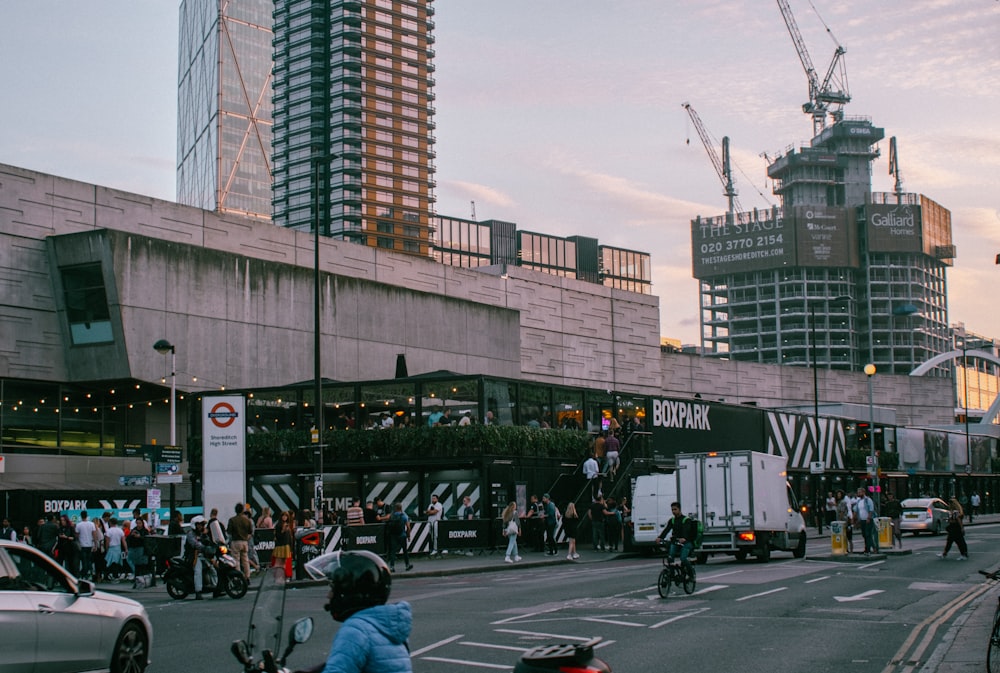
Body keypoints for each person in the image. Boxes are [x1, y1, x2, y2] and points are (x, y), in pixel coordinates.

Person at [304, 550, 412, 673]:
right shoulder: (388, 627)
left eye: (333, 589)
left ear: (350, 591)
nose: (329, 596)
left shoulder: (356, 630)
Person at [654, 502, 698, 577]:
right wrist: (660, 537)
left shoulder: (686, 520)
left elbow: (686, 530)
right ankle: (671, 574)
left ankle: (691, 575)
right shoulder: (672, 520)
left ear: (679, 509)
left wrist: (684, 538)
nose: (673, 511)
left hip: (687, 542)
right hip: (676, 542)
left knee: (683, 558)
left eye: (675, 509)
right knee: (670, 557)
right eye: (672, 510)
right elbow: (667, 529)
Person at [185, 516, 216, 599]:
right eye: (199, 525)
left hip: (203, 555)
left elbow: (208, 541)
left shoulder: (202, 533)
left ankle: (216, 588)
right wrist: (203, 547)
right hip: (194, 555)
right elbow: (195, 544)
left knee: (213, 569)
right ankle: (198, 591)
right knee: (198, 571)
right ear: (194, 525)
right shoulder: (190, 533)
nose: (201, 526)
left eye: (202, 525)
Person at [227, 503, 253, 580]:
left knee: (236, 560)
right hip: (244, 541)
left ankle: (238, 577)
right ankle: (247, 576)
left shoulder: (232, 520)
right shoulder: (247, 520)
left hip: (235, 541)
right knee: (245, 560)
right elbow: (250, 532)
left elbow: (229, 531)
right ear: (242, 510)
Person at [386, 502, 413, 572]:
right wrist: (408, 535)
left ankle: (392, 566)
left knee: (393, 551)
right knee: (405, 551)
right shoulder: (404, 516)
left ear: (395, 508)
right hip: (402, 535)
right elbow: (408, 527)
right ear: (401, 508)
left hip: (393, 536)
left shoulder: (391, 516)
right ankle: (407, 565)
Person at [853, 488, 878, 555]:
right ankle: (873, 548)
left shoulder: (868, 500)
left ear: (863, 492)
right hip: (862, 520)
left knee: (868, 534)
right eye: (858, 492)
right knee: (865, 535)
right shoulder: (858, 501)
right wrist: (855, 519)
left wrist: (869, 518)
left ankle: (868, 550)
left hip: (868, 519)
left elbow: (871, 509)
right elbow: (856, 510)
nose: (858, 494)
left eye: (859, 492)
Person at [271, 510, 294, 579]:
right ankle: (276, 576)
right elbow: (278, 536)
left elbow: (290, 537)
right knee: (278, 562)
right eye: (283, 516)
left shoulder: (288, 525)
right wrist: (283, 530)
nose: (285, 517)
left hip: (286, 545)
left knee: (284, 563)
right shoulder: (278, 525)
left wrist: (291, 547)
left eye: (286, 516)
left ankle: (282, 576)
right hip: (280, 545)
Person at [71, 511, 95, 579]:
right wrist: (95, 544)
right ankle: (88, 573)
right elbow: (94, 534)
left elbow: (77, 535)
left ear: (81, 516)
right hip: (90, 544)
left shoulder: (79, 525)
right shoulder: (92, 524)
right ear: (87, 516)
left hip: (82, 545)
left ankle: (84, 574)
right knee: (89, 560)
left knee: (84, 561)